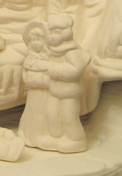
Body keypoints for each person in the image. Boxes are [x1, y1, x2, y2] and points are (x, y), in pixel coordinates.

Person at [38, 14, 90, 153]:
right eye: (50, 33)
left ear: (65, 33)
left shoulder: (72, 51)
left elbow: (76, 70)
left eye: (56, 33)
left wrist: (52, 69)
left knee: (69, 117)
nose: (52, 37)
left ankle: (76, 140)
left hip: (69, 92)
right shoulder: (52, 50)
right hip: (54, 90)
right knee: (51, 114)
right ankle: (55, 137)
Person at [17, 21, 51, 147]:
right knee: (31, 112)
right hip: (33, 92)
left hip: (45, 92)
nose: (36, 43)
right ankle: (28, 135)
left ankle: (44, 134)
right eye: (32, 40)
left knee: (44, 113)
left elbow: (52, 74)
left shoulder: (49, 58)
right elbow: (25, 73)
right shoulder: (29, 58)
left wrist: (43, 81)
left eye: (39, 40)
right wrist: (29, 80)